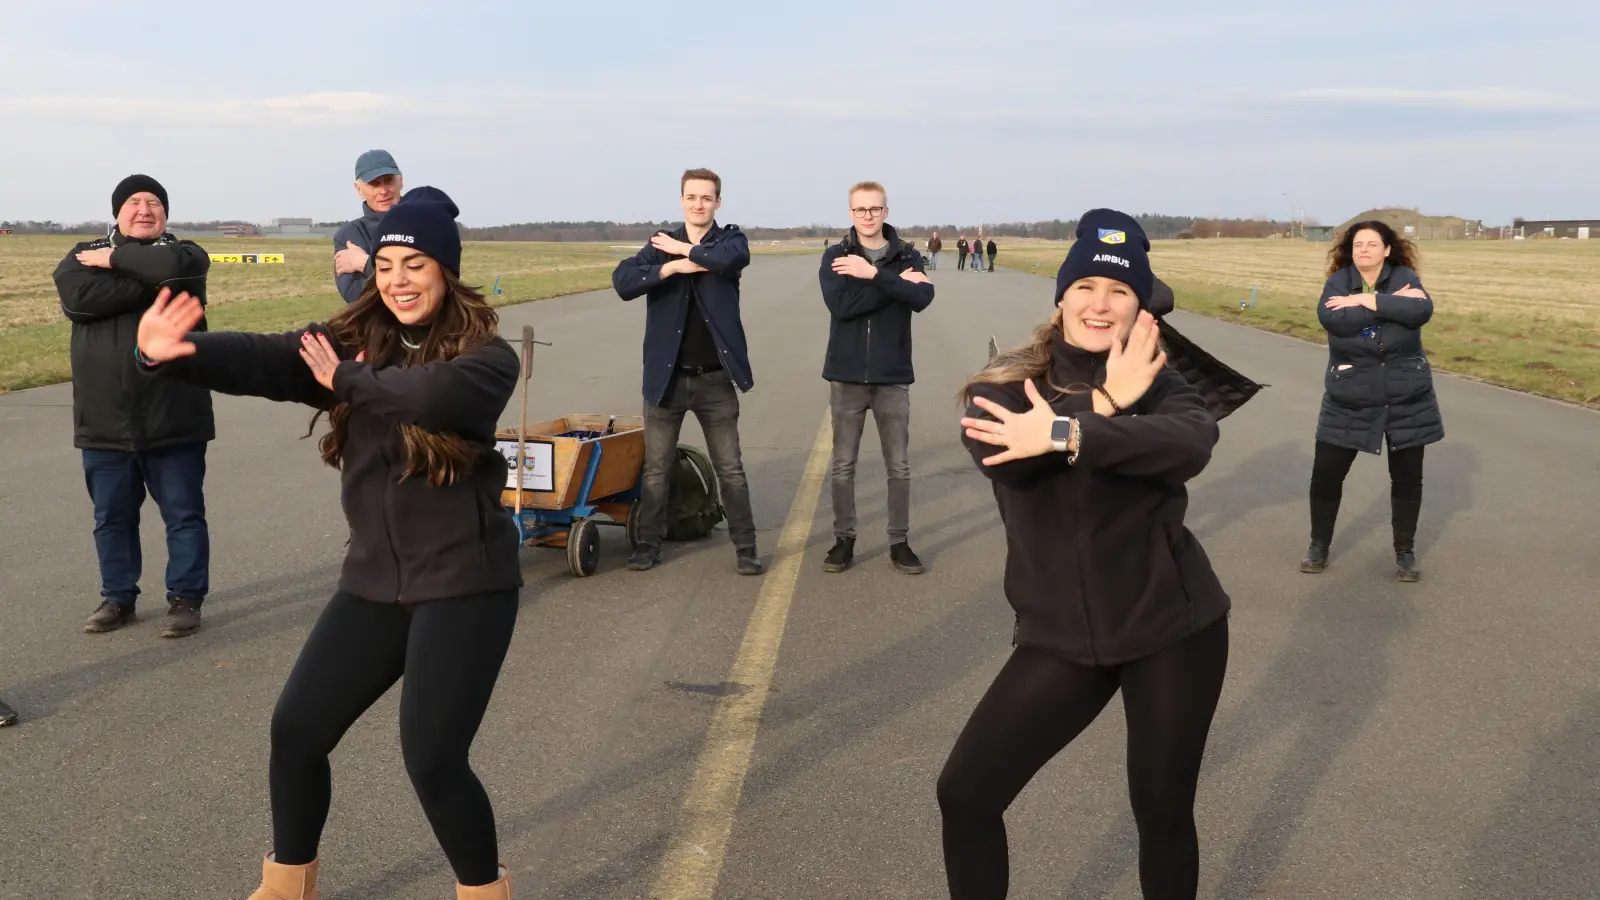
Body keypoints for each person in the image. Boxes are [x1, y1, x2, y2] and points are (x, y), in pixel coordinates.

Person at [133, 188, 521, 900]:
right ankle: (288, 886)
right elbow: (269, 358)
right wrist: (176, 352)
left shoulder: (486, 360)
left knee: (432, 758)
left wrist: (343, 378)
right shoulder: (355, 342)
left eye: (415, 265)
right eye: (386, 266)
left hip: (465, 584)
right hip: (374, 582)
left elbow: (428, 399)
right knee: (297, 730)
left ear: (446, 271)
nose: (398, 281)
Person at [938, 210, 1232, 900]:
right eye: (1087, 287)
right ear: (1062, 296)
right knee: (966, 793)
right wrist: (1102, 403)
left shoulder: (1162, 385)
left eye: (1120, 291)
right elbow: (1009, 465)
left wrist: (1070, 431)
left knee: (1161, 809)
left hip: (1171, 627)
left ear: (1139, 306)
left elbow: (1191, 444)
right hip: (1063, 635)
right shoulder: (1005, 386)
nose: (1101, 304)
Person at [53, 174, 213, 638]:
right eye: (133, 202)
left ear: (166, 213)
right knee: (112, 518)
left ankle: (186, 599)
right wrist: (152, 283)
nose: (144, 209)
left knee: (183, 515)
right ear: (117, 212)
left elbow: (177, 270)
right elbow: (79, 300)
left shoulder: (187, 255)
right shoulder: (82, 254)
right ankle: (117, 597)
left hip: (174, 414)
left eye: (154, 202)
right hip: (104, 420)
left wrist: (115, 262)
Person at [612, 168, 763, 575]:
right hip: (668, 380)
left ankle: (746, 547)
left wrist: (685, 250)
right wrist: (670, 268)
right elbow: (623, 281)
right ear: (682, 200)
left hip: (715, 380)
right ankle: (648, 544)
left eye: (706, 198)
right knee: (656, 469)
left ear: (718, 202)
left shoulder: (729, 240)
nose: (699, 204)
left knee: (731, 469)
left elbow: (731, 260)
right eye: (692, 197)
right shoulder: (659, 246)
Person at [1302, 220, 1442, 581]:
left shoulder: (1405, 276)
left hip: (1406, 396)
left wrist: (1365, 300)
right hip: (1349, 394)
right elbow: (1334, 319)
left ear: (1387, 250)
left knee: (1407, 479)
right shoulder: (1338, 282)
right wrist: (1392, 306)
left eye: (1371, 244)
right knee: (1326, 475)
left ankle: (1405, 552)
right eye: (1357, 245)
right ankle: (1318, 545)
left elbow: (1420, 311)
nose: (1363, 250)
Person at [817, 181, 934, 574]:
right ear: (850, 213)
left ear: (886, 211)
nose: (867, 215)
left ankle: (899, 542)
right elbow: (842, 306)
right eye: (860, 209)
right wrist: (894, 284)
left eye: (874, 209)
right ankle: (843, 540)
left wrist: (872, 274)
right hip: (846, 376)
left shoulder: (908, 255)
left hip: (892, 376)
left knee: (898, 466)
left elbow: (922, 299)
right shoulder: (836, 256)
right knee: (843, 465)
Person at [333, 149, 404, 304]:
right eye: (374, 184)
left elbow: (433, 280)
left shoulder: (423, 222)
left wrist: (365, 264)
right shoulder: (349, 235)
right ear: (359, 189)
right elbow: (356, 297)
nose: (383, 191)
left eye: (389, 180)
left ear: (401, 181)